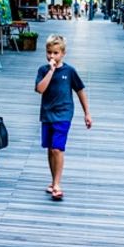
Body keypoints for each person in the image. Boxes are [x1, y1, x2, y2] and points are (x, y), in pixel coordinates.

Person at [35, 34, 92, 201]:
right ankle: (53, 181)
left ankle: (58, 184)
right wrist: (51, 71)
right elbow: (40, 89)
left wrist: (87, 113)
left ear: (63, 53)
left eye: (55, 53)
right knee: (50, 149)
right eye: (49, 52)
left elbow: (80, 91)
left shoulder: (69, 71)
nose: (52, 56)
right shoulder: (43, 70)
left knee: (57, 149)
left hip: (64, 114)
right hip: (47, 114)